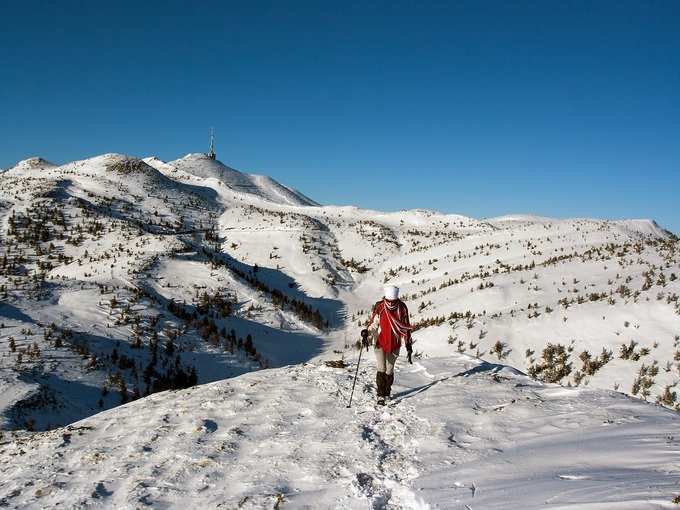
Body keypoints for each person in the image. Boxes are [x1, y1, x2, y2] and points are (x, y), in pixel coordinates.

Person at [361, 285, 414, 405]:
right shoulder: (380, 306)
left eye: (392, 301)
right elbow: (374, 323)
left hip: (394, 343)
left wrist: (408, 345)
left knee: (389, 370)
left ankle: (387, 393)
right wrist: (367, 332)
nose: (390, 303)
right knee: (382, 368)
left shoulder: (402, 308)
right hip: (380, 341)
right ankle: (380, 395)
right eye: (389, 301)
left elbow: (405, 328)